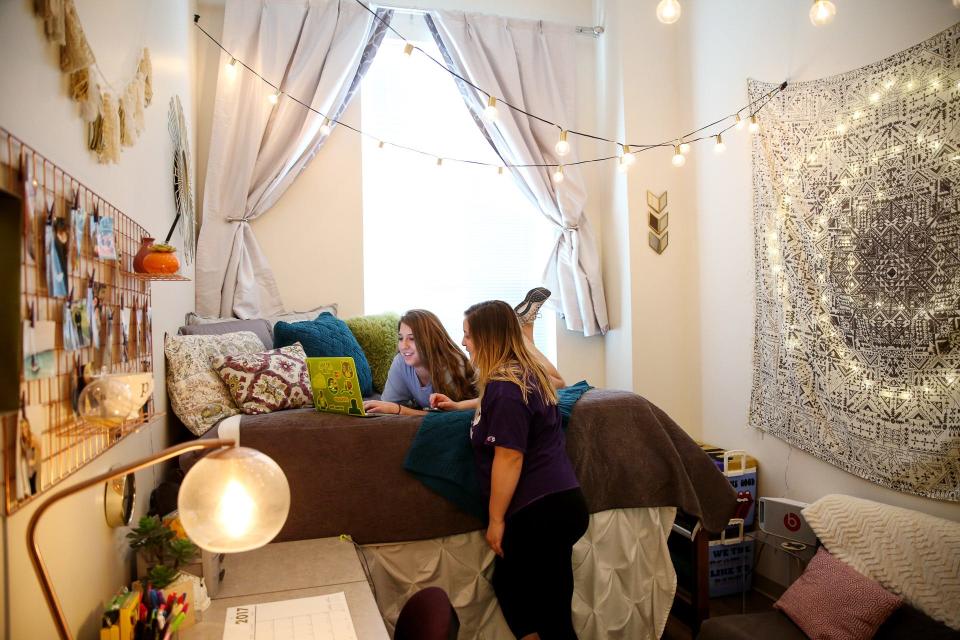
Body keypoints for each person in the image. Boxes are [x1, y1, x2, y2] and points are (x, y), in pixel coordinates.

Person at [463, 299, 588, 640]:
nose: (464, 343)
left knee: (551, 618)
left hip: (541, 511)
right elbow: (495, 403)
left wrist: (496, 519)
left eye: (468, 336)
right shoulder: (520, 377)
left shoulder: (506, 389)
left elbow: (509, 458)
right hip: (558, 504)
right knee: (518, 593)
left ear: (488, 339)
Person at [362, 309, 475, 416]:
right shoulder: (401, 362)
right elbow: (388, 405)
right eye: (401, 338)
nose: (404, 346)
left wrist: (398, 410)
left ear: (430, 341)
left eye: (412, 339)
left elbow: (448, 418)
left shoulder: (452, 364)